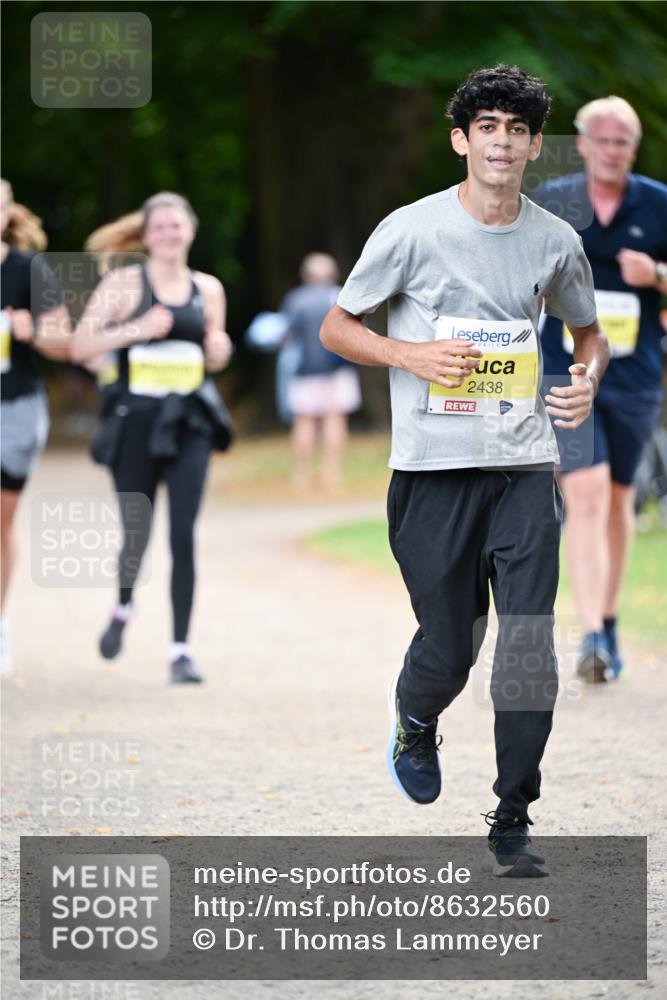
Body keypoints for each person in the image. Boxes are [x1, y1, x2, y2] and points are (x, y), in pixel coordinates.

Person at [321, 65, 609, 876]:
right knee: (450, 647)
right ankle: (416, 717)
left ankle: (512, 816)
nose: (503, 141)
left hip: (522, 466)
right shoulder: (408, 230)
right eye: (488, 126)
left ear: (531, 145)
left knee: (525, 649)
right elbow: (337, 328)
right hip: (431, 470)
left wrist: (584, 381)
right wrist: (406, 352)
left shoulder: (555, 241)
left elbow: (587, 338)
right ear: (461, 140)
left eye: (517, 130)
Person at [70, 192, 233, 684]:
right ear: (145, 235)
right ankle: (123, 607)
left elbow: (213, 357)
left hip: (189, 425)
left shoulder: (208, 289)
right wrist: (135, 329)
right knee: (135, 535)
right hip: (136, 424)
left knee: (183, 535)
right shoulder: (124, 284)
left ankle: (180, 651)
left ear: (191, 230)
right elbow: (81, 345)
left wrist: (219, 350)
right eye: (158, 226)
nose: (168, 233)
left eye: (176, 225)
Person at [534, 97, 667, 682]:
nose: (611, 151)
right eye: (602, 140)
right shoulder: (552, 200)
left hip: (635, 374)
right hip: (568, 369)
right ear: (582, 143)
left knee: (617, 500)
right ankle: (589, 633)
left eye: (623, 143)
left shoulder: (659, 204)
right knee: (583, 492)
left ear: (632, 150)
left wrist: (658, 276)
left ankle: (608, 625)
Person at [1, 179, 71, 675]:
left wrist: (34, 332)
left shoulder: (30, 270)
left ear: (7, 214)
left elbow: (64, 341)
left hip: (14, 407)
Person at [281, 253, 361, 489]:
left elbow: (285, 335)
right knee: (335, 418)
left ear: (305, 276)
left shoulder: (295, 299)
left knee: (304, 420)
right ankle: (332, 473)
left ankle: (301, 475)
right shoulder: (340, 297)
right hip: (338, 369)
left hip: (303, 370)